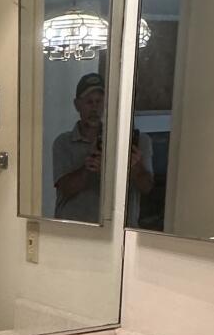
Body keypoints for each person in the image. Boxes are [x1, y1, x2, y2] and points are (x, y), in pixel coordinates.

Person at [51, 72, 156, 226]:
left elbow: (147, 187)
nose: (95, 108)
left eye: (99, 101)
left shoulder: (137, 142)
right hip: (72, 232)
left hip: (119, 233)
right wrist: (88, 169)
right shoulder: (63, 143)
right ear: (77, 104)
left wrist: (135, 167)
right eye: (89, 102)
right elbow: (65, 189)